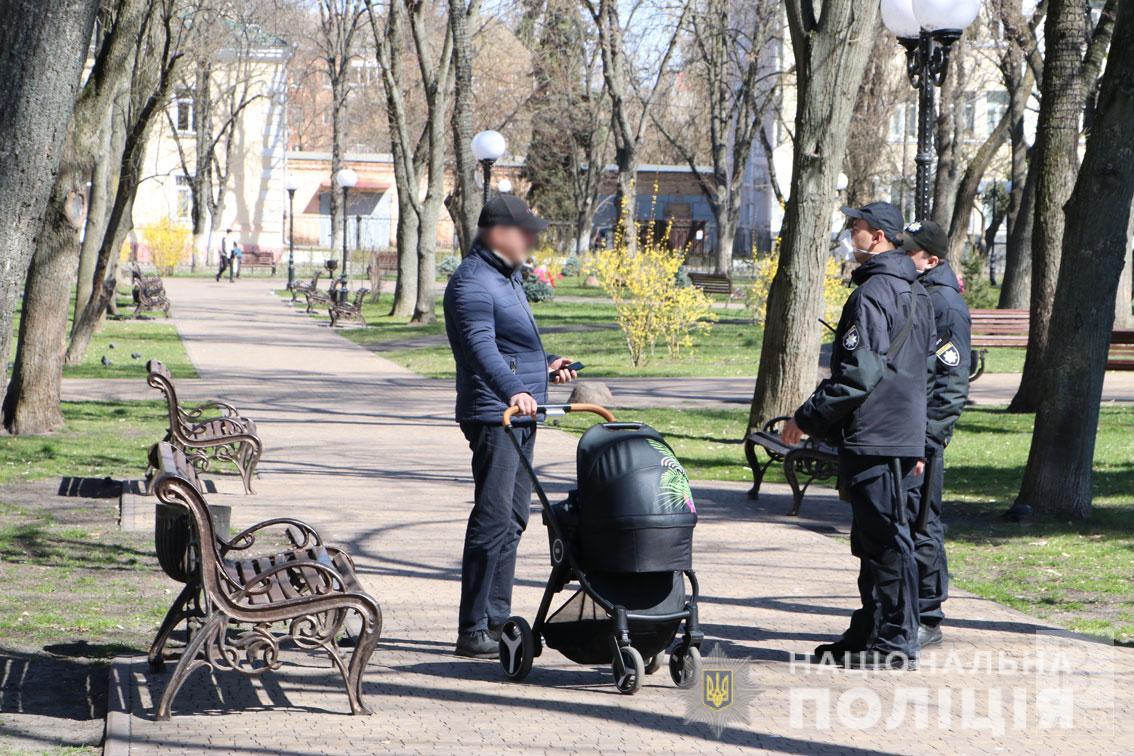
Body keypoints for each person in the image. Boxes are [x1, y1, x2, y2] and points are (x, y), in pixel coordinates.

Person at [781, 201, 934, 669]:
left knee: (886, 540)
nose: (852, 233)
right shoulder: (914, 291)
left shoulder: (874, 294)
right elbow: (923, 373)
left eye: (858, 227)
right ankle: (871, 630)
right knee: (878, 538)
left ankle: (894, 641)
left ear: (880, 236)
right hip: (898, 434)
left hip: (877, 435)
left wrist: (806, 418)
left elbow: (858, 375)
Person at [444, 195, 579, 658]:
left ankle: (498, 617)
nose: (532, 241)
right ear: (499, 233)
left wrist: (546, 367)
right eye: (526, 232)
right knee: (493, 515)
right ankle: (472, 627)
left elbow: (513, 346)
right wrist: (512, 390)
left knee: (516, 518)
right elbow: (482, 349)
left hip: (522, 410)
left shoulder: (506, 278)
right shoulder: (472, 283)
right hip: (493, 413)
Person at [901, 220, 971, 649]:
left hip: (923, 438)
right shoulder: (921, 291)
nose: (902, 254)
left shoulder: (944, 303)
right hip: (906, 431)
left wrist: (930, 439)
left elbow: (951, 381)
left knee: (924, 524)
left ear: (932, 259)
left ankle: (929, 614)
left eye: (909, 250)